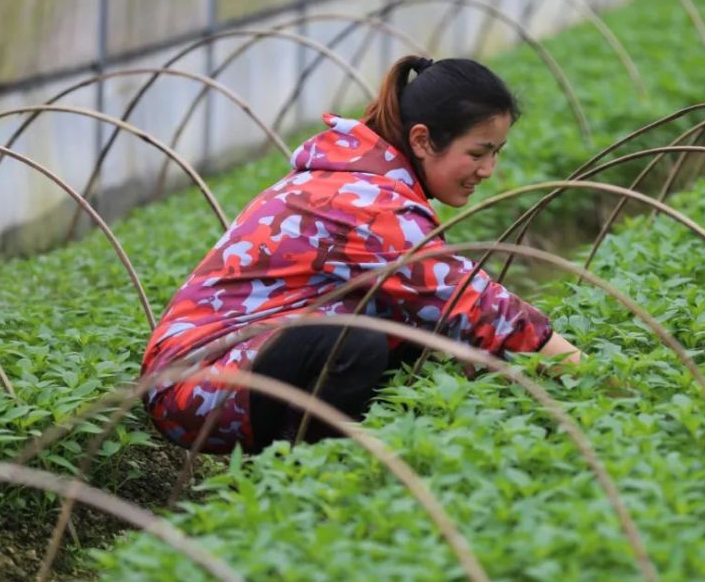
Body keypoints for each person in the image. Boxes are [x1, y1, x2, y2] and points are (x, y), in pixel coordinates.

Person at [140, 55, 582, 454]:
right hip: (194, 383)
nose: (488, 170)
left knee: (413, 320)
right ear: (423, 140)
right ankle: (312, 478)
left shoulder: (372, 182)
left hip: (253, 358)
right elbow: (471, 302)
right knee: (356, 343)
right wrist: (585, 373)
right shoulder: (365, 200)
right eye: (478, 153)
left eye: (496, 153)